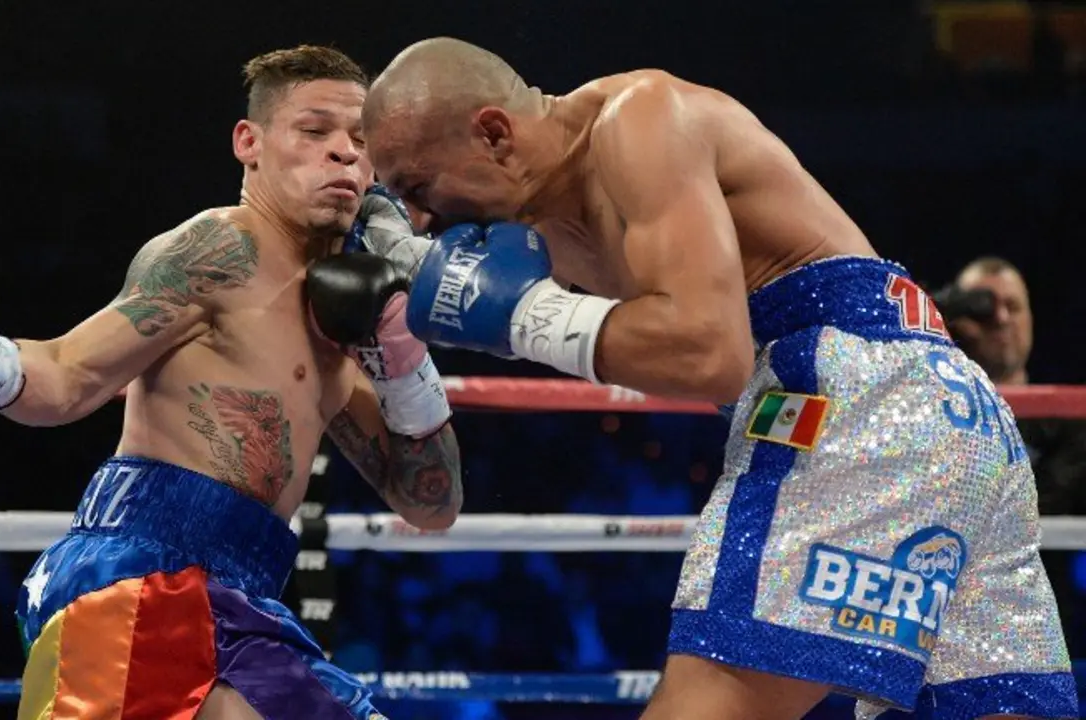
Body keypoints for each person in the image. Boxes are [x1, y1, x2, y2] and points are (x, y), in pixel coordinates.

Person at [361, 37, 1078, 720]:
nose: (422, 218)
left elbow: (710, 353)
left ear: (493, 133)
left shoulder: (638, 121)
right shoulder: (539, 228)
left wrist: (524, 317)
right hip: (951, 417)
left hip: (846, 398)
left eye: (419, 187)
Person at [0, 44, 461, 720]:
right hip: (145, 576)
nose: (344, 154)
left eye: (360, 139)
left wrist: (402, 357)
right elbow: (66, 378)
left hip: (246, 598)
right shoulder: (218, 250)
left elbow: (428, 503)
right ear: (251, 142)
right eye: (315, 130)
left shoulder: (349, 314)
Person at [944, 256, 1086, 656]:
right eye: (984, 307)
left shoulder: (1072, 424)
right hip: (948, 636)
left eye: (1014, 306)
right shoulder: (929, 418)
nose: (1002, 318)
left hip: (1058, 637)